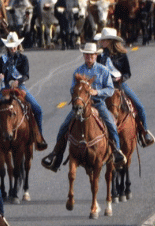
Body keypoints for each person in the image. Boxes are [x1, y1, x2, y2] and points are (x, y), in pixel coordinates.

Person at [41, 43, 127, 172]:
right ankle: (56, 156)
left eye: (91, 55)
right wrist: (79, 95)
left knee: (110, 123)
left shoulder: (103, 70)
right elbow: (72, 88)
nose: (89, 57)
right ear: (84, 56)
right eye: (86, 54)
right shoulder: (78, 71)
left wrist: (96, 92)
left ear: (96, 55)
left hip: (98, 103)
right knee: (64, 126)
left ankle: (116, 151)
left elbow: (110, 89)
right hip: (81, 106)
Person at [0, 32, 47, 150]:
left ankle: (39, 137)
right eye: (11, 46)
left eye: (15, 46)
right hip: (6, 89)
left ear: (18, 46)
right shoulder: (2, 59)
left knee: (37, 109)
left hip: (20, 88)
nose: (13, 48)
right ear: (7, 47)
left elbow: (26, 75)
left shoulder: (23, 58)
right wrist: (0, 76)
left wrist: (18, 82)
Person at [95, 28, 155, 147]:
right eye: (102, 40)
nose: (101, 42)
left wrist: (120, 78)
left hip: (119, 85)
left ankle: (144, 133)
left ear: (110, 41)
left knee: (140, 107)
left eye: (104, 40)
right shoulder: (100, 56)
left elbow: (128, 73)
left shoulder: (121, 55)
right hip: (104, 87)